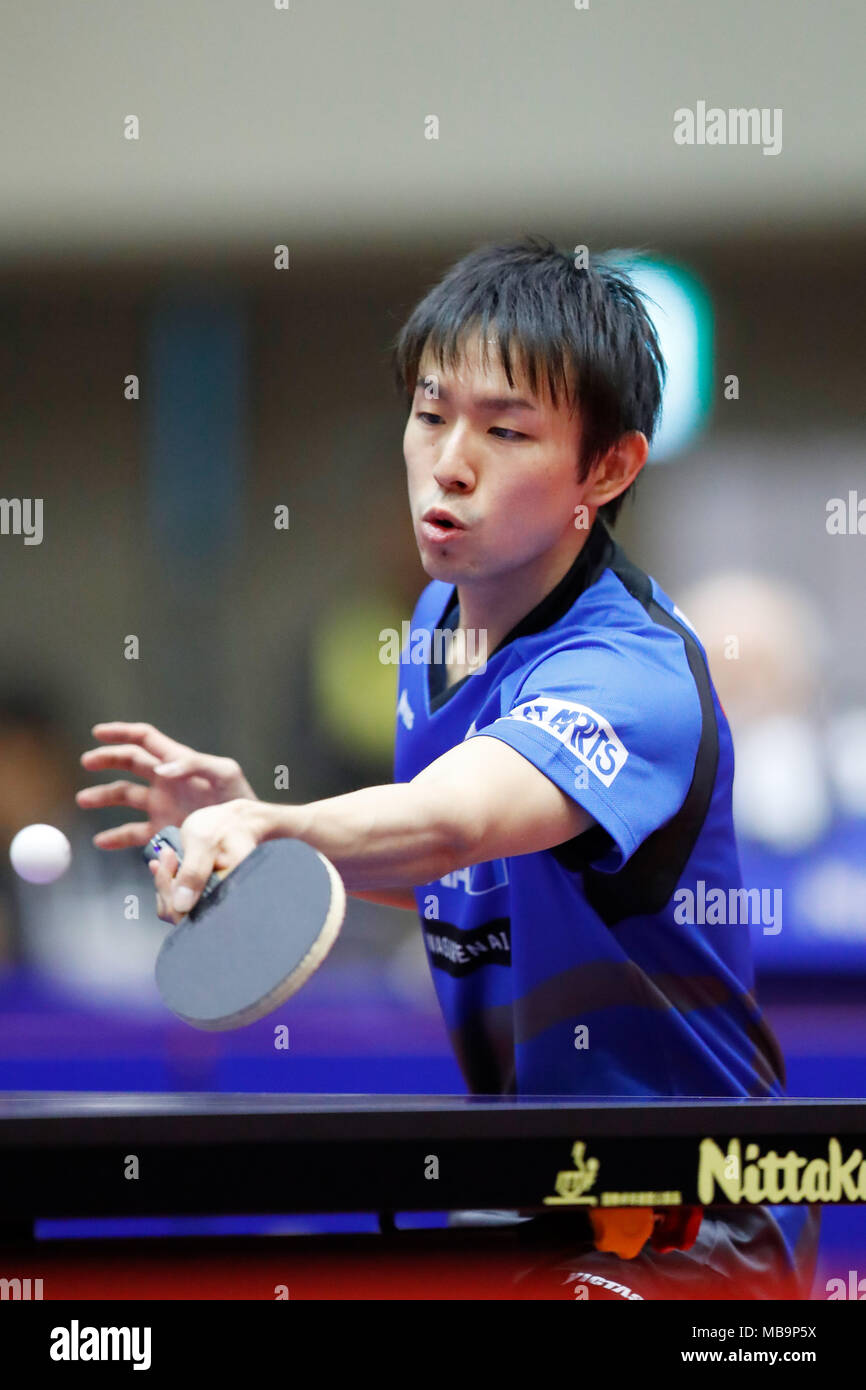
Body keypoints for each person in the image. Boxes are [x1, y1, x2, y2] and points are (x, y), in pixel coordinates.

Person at [77, 236, 819, 1298]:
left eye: (506, 430)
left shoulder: (630, 672)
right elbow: (462, 875)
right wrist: (262, 826)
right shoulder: (433, 629)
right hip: (535, 1201)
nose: (448, 461)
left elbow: (458, 822)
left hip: (692, 1233)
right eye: (430, 415)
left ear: (605, 469)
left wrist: (283, 824)